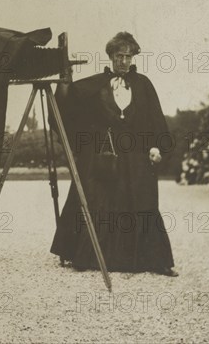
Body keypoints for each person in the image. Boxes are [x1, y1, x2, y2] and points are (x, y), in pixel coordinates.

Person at [50, 32, 178, 276]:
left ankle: (154, 259)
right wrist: (64, 82)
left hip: (136, 154)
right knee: (96, 198)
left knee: (142, 200)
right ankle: (85, 255)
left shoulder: (144, 85)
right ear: (110, 56)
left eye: (128, 56)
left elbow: (155, 119)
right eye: (119, 56)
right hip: (102, 153)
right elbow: (69, 109)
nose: (123, 61)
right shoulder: (95, 85)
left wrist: (156, 146)